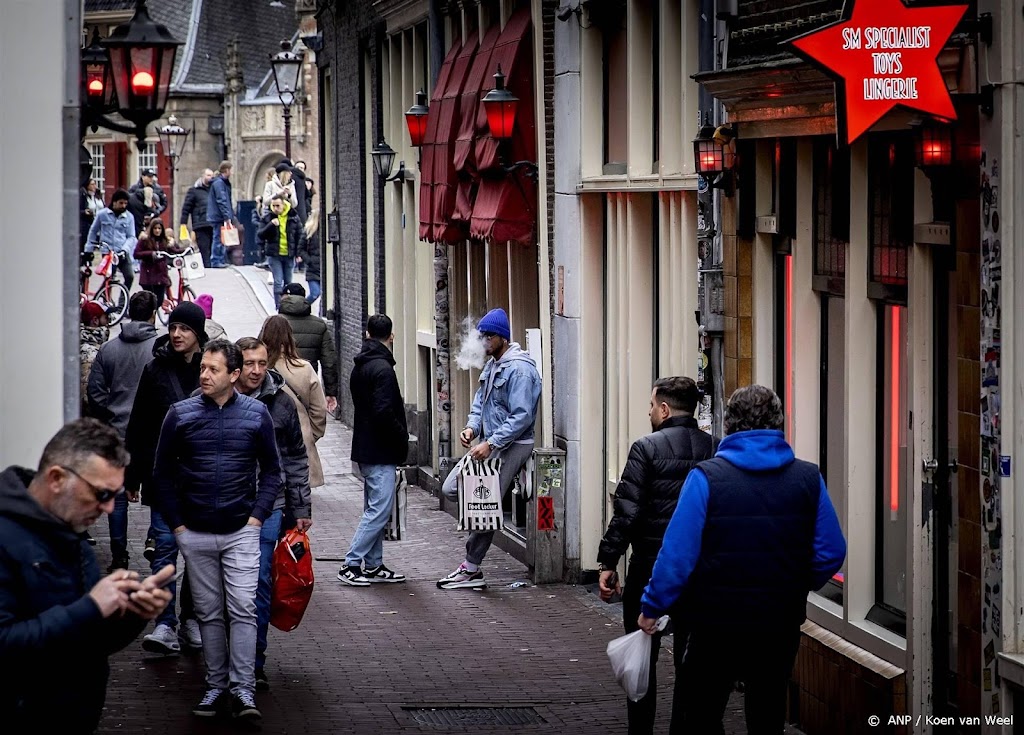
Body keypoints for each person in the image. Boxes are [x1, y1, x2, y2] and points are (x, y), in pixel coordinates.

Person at [638, 385, 847, 734]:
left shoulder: (706, 478)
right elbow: (831, 551)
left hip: (715, 621)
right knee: (767, 713)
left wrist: (652, 605)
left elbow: (677, 556)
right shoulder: (807, 478)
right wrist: (795, 581)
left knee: (703, 713)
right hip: (778, 619)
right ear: (779, 422)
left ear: (730, 424)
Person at [0, 418, 174, 733]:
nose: (109, 508)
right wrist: (92, 606)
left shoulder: (69, 529)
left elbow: (88, 641)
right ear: (56, 478)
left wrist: (132, 613)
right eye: (101, 493)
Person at [152, 339, 283, 722]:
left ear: (234, 375)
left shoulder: (257, 414)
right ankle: (215, 686)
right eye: (202, 369)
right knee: (209, 613)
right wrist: (178, 526)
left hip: (241, 529)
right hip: (194, 531)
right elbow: (161, 474)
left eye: (213, 369)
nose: (204, 375)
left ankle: (243, 688)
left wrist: (258, 516)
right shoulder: (180, 414)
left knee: (243, 608)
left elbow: (274, 470)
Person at [597, 376, 716, 735]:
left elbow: (628, 513)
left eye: (651, 405)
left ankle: (641, 730)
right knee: (690, 665)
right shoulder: (716, 448)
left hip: (650, 569)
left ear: (664, 409)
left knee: (641, 659)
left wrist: (608, 562)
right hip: (698, 576)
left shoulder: (646, 448)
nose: (649, 411)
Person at [438, 308, 541, 590]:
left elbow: (522, 416)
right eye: (481, 336)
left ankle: (471, 568)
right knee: (454, 489)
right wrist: (472, 428)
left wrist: (492, 443)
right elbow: (479, 403)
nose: (483, 341)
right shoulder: (493, 364)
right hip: (488, 443)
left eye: (489, 336)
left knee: (484, 503)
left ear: (503, 338)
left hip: (511, 445)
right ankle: (472, 566)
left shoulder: (519, 369)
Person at [125, 302, 207, 656]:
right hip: (163, 477)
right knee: (164, 551)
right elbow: (140, 423)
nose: (176, 334)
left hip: (203, 479)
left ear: (198, 334)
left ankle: (190, 618)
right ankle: (164, 623)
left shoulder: (210, 370)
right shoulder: (155, 370)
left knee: (198, 554)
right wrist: (133, 474)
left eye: (184, 329)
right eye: (173, 327)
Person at [235, 337, 312, 690]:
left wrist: (300, 507)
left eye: (261, 363)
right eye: (249, 363)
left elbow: (296, 458)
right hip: (226, 506)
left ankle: (255, 662)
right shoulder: (217, 399)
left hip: (270, 505)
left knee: (261, 582)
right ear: (236, 366)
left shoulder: (281, 403)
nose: (255, 371)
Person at [87, 290, 160, 571]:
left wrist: (109, 415)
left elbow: (95, 391)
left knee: (117, 496)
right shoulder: (158, 349)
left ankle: (119, 553)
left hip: (117, 432)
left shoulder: (109, 349)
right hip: (151, 434)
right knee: (156, 489)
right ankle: (154, 537)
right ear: (153, 314)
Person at [338, 314, 409, 586]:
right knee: (379, 510)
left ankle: (374, 565)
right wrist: (401, 436)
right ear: (390, 337)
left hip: (366, 446)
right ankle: (351, 563)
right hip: (381, 450)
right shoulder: (383, 369)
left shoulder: (361, 366)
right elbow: (383, 412)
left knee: (374, 507)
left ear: (367, 333)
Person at [259, 315, 328, 490]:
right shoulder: (303, 368)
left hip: (266, 438)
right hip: (300, 438)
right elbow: (319, 409)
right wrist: (311, 435)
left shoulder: (258, 369)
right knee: (299, 496)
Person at [279, 281, 338, 414]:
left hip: (280, 382)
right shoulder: (318, 325)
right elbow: (329, 361)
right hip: (308, 381)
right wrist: (330, 392)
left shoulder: (274, 323)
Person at [258, 194, 304, 307]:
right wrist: (270, 225)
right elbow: (260, 235)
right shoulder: (268, 218)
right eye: (273, 206)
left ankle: (288, 305)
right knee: (278, 281)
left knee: (288, 281)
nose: (275, 208)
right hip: (274, 254)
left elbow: (300, 235)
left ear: (284, 205)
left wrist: (299, 253)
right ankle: (279, 306)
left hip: (289, 254)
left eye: (278, 205)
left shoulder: (293, 216)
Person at [85, 189, 136, 290]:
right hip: (108, 253)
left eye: (125, 203)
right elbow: (93, 231)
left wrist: (125, 249)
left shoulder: (129, 217)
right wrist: (88, 249)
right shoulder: (102, 214)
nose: (123, 206)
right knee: (109, 279)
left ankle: (122, 302)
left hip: (122, 252)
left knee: (130, 276)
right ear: (114, 202)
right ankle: (105, 301)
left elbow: (131, 236)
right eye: (121, 203)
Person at [134, 218, 182, 306]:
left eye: (159, 228)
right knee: (149, 300)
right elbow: (136, 254)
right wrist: (151, 254)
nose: (157, 230)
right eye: (155, 228)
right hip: (148, 274)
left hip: (160, 275)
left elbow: (174, 250)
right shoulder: (145, 240)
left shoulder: (164, 241)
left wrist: (187, 250)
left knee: (159, 300)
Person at [80, 301, 111, 419]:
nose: (108, 322)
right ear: (95, 320)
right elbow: (86, 397)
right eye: (106, 318)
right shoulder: (91, 354)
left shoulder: (77, 341)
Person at [180, 168, 214, 268]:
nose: (210, 178)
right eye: (208, 175)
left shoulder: (214, 190)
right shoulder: (194, 191)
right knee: (204, 248)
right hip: (200, 224)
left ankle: (211, 267)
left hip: (213, 223)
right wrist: (183, 224)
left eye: (211, 176)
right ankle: (207, 268)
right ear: (202, 176)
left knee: (213, 248)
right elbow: (186, 208)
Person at [206, 160, 234, 269]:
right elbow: (221, 200)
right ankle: (216, 260)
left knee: (221, 237)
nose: (232, 173)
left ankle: (220, 259)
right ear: (226, 170)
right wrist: (227, 216)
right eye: (231, 170)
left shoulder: (220, 182)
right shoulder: (219, 183)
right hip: (218, 215)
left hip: (218, 215)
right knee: (218, 237)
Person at [297, 209, 322, 304]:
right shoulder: (309, 231)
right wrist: (309, 260)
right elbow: (300, 249)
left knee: (324, 298)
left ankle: (320, 315)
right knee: (315, 293)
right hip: (313, 269)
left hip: (324, 269)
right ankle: (300, 308)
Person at [80, 178, 104, 250]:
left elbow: (103, 206)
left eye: (95, 184)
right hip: (89, 222)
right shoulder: (84, 196)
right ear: (87, 186)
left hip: (100, 222)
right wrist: (84, 212)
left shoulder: (98, 195)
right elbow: (79, 209)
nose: (94, 186)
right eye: (92, 184)